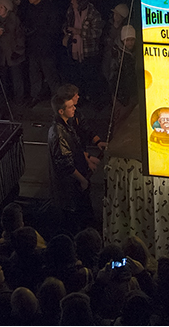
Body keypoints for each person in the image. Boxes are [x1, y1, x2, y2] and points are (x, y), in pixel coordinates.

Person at [48, 92, 98, 234]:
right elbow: (66, 164)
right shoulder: (58, 133)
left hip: (76, 184)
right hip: (69, 189)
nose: (74, 109)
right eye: (70, 107)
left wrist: (86, 160)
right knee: (76, 222)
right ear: (61, 111)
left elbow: (75, 148)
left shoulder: (67, 125)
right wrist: (83, 180)